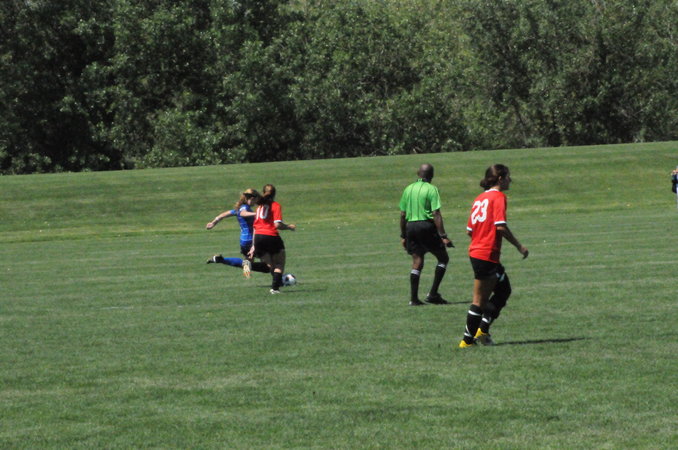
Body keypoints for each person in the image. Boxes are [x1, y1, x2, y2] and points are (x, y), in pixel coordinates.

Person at [458, 164, 528, 348]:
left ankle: (482, 330)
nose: (510, 180)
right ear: (500, 179)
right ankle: (467, 341)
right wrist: (519, 246)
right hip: (486, 254)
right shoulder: (498, 197)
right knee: (479, 301)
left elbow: (469, 230)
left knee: (503, 290)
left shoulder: (480, 198)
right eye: (508, 177)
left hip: (478, 252)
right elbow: (501, 227)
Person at [399, 163, 454, 306]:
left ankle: (414, 299)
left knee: (417, 262)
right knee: (443, 258)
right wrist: (443, 236)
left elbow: (403, 214)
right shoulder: (431, 189)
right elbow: (436, 213)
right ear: (432, 175)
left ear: (418, 173)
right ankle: (433, 294)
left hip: (411, 227)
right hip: (426, 226)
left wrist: (403, 236)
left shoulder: (408, 189)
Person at [205, 188, 270, 278]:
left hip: (244, 241)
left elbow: (223, 215)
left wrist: (213, 222)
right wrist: (256, 214)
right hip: (252, 240)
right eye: (256, 199)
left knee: (248, 263)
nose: (256, 202)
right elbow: (243, 213)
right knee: (268, 265)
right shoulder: (244, 208)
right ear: (252, 198)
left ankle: (222, 261)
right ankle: (279, 279)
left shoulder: (238, 209)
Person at [248, 184, 296, 294]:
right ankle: (275, 288)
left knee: (269, 265)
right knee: (279, 264)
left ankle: (249, 264)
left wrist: (254, 245)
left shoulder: (259, 207)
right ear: (274, 194)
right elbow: (277, 225)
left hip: (258, 237)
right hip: (271, 236)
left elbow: (255, 226)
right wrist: (288, 227)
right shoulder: (275, 205)